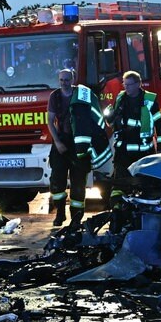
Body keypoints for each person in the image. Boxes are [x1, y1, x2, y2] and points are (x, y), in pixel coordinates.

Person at [46, 69, 108, 227]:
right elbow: (50, 121)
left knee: (78, 183)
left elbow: (95, 114)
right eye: (61, 80)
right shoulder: (55, 96)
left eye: (66, 80)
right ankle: (60, 214)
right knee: (57, 181)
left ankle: (76, 218)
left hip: (79, 144)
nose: (63, 83)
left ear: (72, 79)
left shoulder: (83, 94)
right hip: (62, 142)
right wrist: (58, 143)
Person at [106, 70, 161, 208]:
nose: (125, 87)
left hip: (144, 153)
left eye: (129, 84)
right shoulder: (120, 98)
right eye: (124, 84)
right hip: (122, 153)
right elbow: (112, 123)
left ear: (138, 84)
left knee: (146, 187)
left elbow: (160, 127)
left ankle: (143, 215)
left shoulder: (150, 101)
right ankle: (118, 215)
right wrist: (109, 118)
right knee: (119, 187)